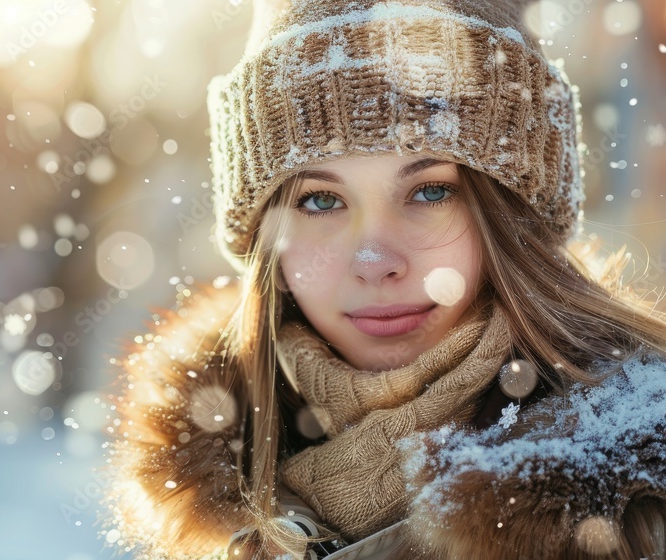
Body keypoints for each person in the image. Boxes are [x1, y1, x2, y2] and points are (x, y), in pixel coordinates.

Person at [101, 1, 666, 558]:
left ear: (513, 217)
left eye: (430, 191)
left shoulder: (640, 510)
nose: (374, 260)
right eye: (321, 200)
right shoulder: (213, 501)